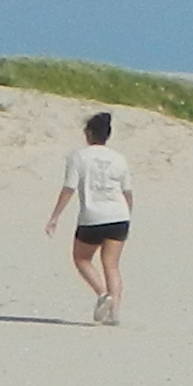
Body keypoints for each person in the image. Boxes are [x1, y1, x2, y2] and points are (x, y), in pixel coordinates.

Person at [46, 111, 132, 324]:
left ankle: (104, 295)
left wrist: (55, 216)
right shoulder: (119, 158)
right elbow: (127, 192)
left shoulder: (79, 156)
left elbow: (69, 188)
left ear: (89, 133)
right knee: (111, 264)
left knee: (81, 258)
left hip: (93, 217)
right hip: (119, 215)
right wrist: (127, 215)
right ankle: (115, 313)